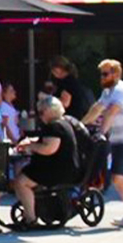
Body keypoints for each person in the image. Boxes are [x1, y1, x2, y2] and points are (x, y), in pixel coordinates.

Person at [84, 58, 123, 227]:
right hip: (119, 142)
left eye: (105, 74)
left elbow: (111, 113)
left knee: (118, 179)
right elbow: (97, 108)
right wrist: (81, 124)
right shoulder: (108, 92)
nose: (101, 78)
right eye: (101, 74)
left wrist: (101, 133)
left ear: (116, 74)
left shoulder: (120, 91)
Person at [12, 96, 87, 227]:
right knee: (24, 176)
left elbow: (49, 148)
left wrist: (30, 147)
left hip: (57, 170)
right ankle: (32, 210)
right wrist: (32, 142)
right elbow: (47, 141)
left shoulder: (54, 126)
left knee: (20, 182)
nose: (40, 116)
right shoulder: (63, 124)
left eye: (41, 112)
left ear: (50, 111)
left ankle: (30, 219)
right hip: (67, 168)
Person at [47, 55, 94, 119]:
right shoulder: (70, 81)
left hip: (71, 117)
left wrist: (48, 99)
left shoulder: (67, 82)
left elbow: (65, 103)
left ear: (58, 68)